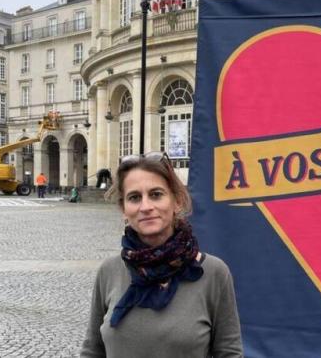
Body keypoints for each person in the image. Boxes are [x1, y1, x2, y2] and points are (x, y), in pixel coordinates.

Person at [81, 153, 243, 358]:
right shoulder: (109, 271)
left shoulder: (213, 273)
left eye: (156, 194)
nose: (146, 207)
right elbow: (92, 351)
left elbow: (229, 353)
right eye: (134, 197)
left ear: (177, 202)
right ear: (124, 209)